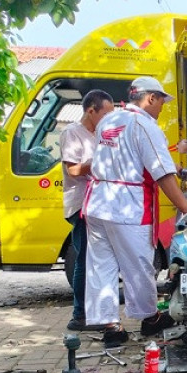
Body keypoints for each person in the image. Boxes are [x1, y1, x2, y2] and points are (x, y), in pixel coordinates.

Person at [84, 76, 187, 347]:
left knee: (102, 265)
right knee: (139, 265)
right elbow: (163, 175)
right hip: (127, 206)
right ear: (150, 98)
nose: (161, 108)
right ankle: (150, 318)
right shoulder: (144, 125)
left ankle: (111, 325)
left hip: (98, 203)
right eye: (161, 102)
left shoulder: (108, 120)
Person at [60, 89, 114, 331]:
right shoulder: (72, 132)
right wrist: (98, 163)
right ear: (91, 110)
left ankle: (95, 312)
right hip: (82, 204)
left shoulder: (101, 134)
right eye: (105, 114)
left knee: (98, 261)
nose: (108, 119)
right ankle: (79, 315)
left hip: (100, 205)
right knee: (84, 259)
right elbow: (72, 170)